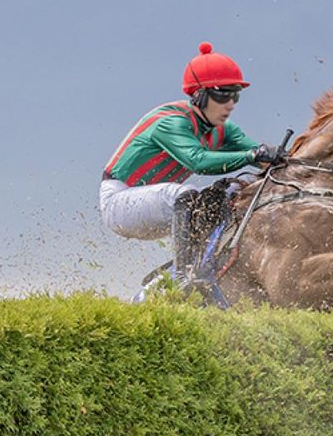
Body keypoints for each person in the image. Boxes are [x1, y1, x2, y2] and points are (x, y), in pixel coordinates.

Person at [98, 42, 285, 285]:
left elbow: (260, 156)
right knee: (185, 195)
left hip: (160, 203)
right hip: (119, 201)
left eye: (235, 94)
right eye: (222, 94)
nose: (230, 103)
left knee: (223, 197)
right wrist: (251, 156)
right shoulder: (171, 123)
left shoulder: (223, 129)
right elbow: (198, 162)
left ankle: (205, 266)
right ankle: (183, 277)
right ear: (199, 95)